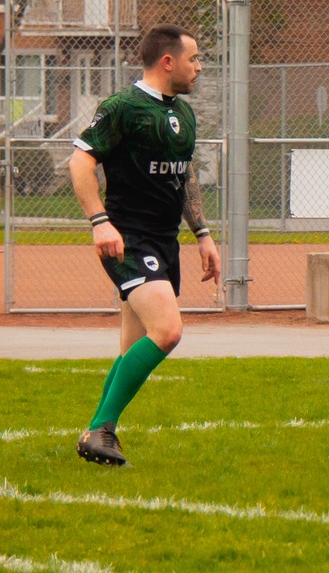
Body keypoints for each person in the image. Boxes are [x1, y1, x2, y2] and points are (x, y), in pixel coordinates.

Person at [69, 24, 223, 464]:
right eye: (194, 59)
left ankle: (99, 432)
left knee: (129, 349)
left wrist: (204, 235)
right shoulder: (122, 107)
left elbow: (184, 175)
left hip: (164, 239)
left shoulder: (184, 114)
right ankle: (99, 431)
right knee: (168, 330)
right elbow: (80, 162)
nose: (199, 67)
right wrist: (100, 222)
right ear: (167, 61)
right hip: (128, 237)